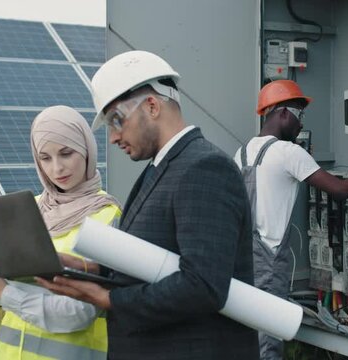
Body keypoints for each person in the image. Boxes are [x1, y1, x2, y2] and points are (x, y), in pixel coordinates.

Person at [36, 50, 259, 360]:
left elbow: (203, 286)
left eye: (116, 121)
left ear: (152, 106)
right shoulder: (163, 168)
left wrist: (109, 299)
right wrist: (89, 267)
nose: (112, 137)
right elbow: (157, 257)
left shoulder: (204, 168)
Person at [234, 79, 348, 360]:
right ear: (283, 113)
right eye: (300, 115)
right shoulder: (289, 152)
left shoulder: (241, 153)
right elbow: (338, 191)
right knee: (267, 343)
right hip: (269, 264)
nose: (301, 124)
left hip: (242, 260)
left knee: (246, 339)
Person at [0, 105, 121, 360]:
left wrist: (6, 294)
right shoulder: (30, 208)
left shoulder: (106, 215)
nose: (57, 168)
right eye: (45, 158)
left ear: (86, 149)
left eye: (66, 153)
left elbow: (80, 312)